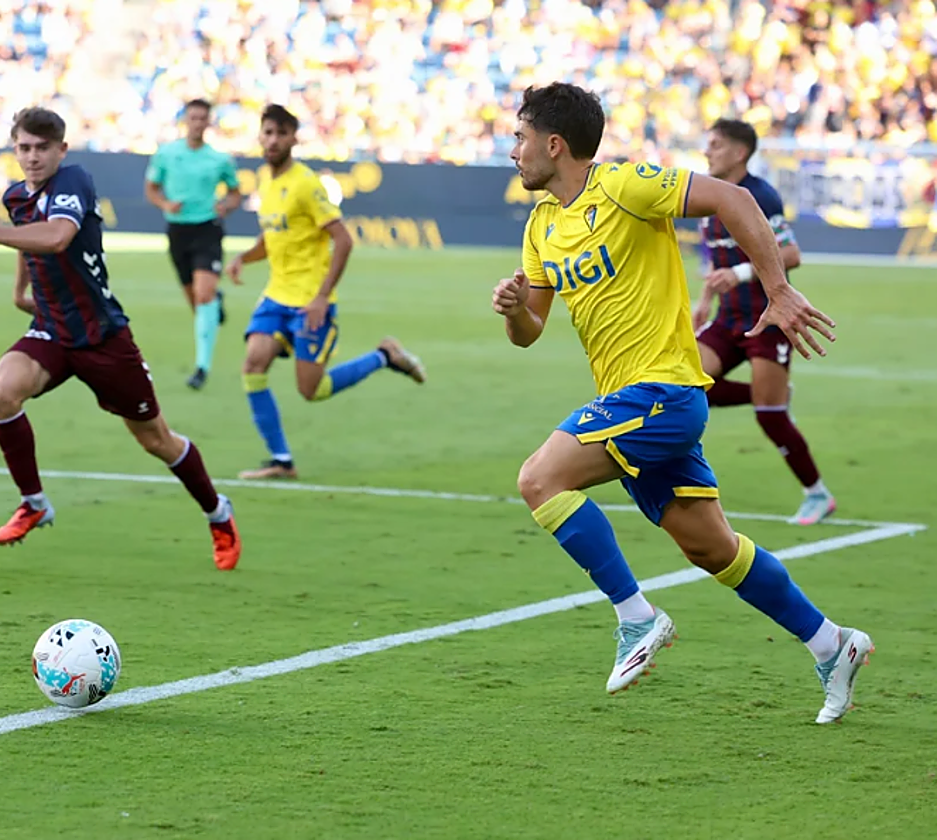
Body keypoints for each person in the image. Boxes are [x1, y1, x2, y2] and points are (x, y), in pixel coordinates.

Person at [492, 82, 869, 723]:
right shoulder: (541, 227)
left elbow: (733, 198)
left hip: (663, 391)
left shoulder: (625, 186)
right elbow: (530, 331)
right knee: (712, 549)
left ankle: (636, 617)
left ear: (554, 145)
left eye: (520, 137)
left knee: (540, 478)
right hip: (629, 402)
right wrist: (512, 311)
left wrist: (777, 289)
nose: (512, 150)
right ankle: (833, 644)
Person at [0, 107, 241, 570]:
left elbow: (57, 237)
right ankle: (34, 503)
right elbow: (28, 239)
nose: (32, 157)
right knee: (3, 393)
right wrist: (20, 290)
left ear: (61, 150)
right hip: (52, 328)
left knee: (157, 440)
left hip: (102, 337)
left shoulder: (74, 181)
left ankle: (218, 512)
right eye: (24, 148)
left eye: (42, 148)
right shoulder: (16, 196)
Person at [225, 105, 426, 480]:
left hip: (309, 301)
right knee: (252, 365)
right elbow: (273, 237)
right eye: (267, 132)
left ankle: (384, 356)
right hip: (276, 296)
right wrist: (243, 258)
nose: (273, 140)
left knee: (312, 390)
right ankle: (281, 461)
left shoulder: (306, 184)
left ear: (293, 138)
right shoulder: (266, 182)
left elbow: (343, 240)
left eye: (281, 133)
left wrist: (321, 297)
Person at [694, 119, 835, 526]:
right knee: (686, 385)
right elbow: (717, 262)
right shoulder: (706, 197)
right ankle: (766, 393)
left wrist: (739, 274)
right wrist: (704, 300)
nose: (707, 151)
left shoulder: (760, 196)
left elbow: (790, 254)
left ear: (740, 153)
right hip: (726, 318)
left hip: (767, 317)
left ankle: (817, 494)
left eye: (716, 145)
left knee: (770, 415)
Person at [145, 99, 243, 390]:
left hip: (207, 229)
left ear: (209, 122)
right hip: (178, 231)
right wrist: (165, 204)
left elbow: (235, 193)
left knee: (202, 295)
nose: (197, 123)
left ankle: (202, 367)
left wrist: (226, 206)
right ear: (185, 120)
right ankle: (215, 301)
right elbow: (151, 188)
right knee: (195, 299)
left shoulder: (219, 159)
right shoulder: (167, 154)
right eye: (193, 117)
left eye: (203, 118)